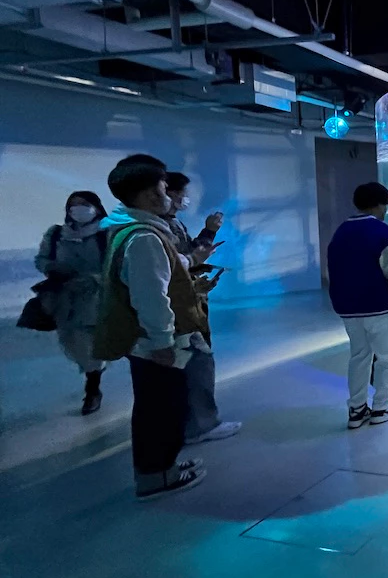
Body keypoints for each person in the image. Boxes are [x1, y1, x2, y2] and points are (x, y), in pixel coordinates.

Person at [94, 154, 210, 499]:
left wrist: (190, 264)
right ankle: (157, 476)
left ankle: (163, 466)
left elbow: (164, 269)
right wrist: (162, 341)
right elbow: (151, 296)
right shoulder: (144, 237)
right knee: (162, 409)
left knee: (156, 405)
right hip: (154, 343)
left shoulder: (130, 229)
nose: (171, 196)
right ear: (149, 195)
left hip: (144, 341)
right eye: (164, 188)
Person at [327, 182, 388, 429]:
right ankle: (382, 408)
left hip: (348, 309)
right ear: (380, 204)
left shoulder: (341, 232)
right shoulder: (386, 234)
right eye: (385, 205)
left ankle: (356, 410)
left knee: (359, 356)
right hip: (381, 308)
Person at [163, 171, 240, 445]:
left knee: (191, 362)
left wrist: (209, 232)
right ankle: (200, 425)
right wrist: (194, 260)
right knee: (197, 361)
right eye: (181, 193)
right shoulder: (155, 229)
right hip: (176, 308)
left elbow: (188, 254)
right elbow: (175, 264)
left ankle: (185, 423)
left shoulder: (171, 223)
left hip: (184, 301)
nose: (185, 198)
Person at [35, 192, 109, 414]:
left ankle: (92, 389)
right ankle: (93, 375)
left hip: (100, 298)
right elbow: (42, 259)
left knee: (93, 345)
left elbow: (118, 265)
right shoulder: (56, 234)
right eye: (73, 205)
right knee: (74, 344)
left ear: (96, 207)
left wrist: (94, 279)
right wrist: (52, 268)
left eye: (84, 204)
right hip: (66, 301)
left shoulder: (107, 233)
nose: (78, 209)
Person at [163, 172, 224, 258]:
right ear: (172, 194)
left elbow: (190, 250)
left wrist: (209, 231)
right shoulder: (163, 225)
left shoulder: (176, 223)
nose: (187, 198)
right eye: (184, 194)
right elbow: (184, 257)